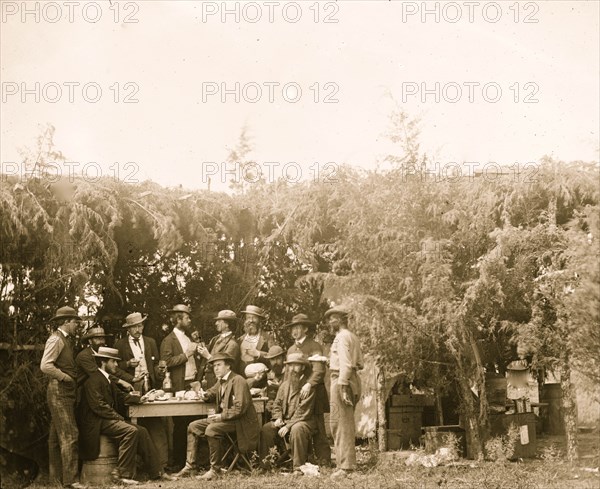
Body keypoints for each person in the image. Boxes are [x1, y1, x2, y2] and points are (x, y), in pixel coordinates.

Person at [78, 347, 169, 484]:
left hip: (106, 419)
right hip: (96, 422)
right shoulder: (93, 380)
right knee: (130, 431)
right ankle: (122, 475)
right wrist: (119, 418)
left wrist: (140, 399)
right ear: (103, 362)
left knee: (142, 431)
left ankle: (157, 472)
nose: (116, 365)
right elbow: (99, 406)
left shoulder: (106, 378)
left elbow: (121, 397)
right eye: (113, 361)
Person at [175, 353, 259, 480]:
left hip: (241, 423)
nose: (216, 368)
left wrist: (221, 416)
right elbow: (212, 392)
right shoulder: (221, 381)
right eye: (214, 366)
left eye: (219, 365)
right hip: (227, 420)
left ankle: (215, 469)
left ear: (228, 366)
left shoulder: (238, 380)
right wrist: (203, 394)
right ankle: (190, 466)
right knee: (193, 426)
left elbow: (240, 408)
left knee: (212, 429)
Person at [114, 313, 170, 478]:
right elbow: (113, 368)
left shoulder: (151, 342)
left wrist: (160, 371)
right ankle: (137, 470)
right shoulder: (120, 344)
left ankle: (162, 468)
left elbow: (155, 365)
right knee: (135, 428)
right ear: (128, 329)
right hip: (131, 390)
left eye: (140, 326)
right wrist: (127, 366)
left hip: (149, 389)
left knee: (157, 427)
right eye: (134, 327)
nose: (138, 329)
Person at [40, 306, 86, 489]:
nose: (77, 325)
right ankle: (71, 481)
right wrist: (65, 377)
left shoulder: (66, 340)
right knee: (70, 435)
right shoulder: (56, 340)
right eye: (75, 321)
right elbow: (45, 366)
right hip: (59, 391)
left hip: (63, 392)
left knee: (55, 438)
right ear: (66, 322)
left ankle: (56, 481)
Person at [259, 353, 317, 475]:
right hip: (285, 420)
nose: (292, 369)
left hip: (304, 421)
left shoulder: (308, 387)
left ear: (302, 368)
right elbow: (277, 404)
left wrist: (288, 426)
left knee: (297, 429)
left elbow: (303, 411)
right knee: (267, 428)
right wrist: (278, 418)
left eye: (296, 365)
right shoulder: (285, 385)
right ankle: (266, 466)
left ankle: (298, 467)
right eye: (290, 366)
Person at [286, 313, 331, 465]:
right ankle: (305, 458)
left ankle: (324, 460)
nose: (294, 331)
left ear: (305, 329)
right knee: (300, 425)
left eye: (298, 328)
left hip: (315, 393)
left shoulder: (314, 346)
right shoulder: (291, 349)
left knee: (318, 427)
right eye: (293, 328)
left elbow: (319, 370)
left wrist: (309, 383)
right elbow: (289, 373)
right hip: (297, 395)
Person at [159, 304, 200, 470]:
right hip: (178, 386)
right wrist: (187, 354)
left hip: (192, 384)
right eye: (187, 317)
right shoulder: (168, 340)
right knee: (180, 425)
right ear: (178, 320)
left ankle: (192, 461)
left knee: (194, 423)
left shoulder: (188, 337)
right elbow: (166, 363)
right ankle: (177, 463)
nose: (189, 320)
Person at [325, 306, 364, 478]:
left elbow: (347, 364)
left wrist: (341, 385)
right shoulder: (352, 337)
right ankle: (343, 463)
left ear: (341, 320)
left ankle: (346, 467)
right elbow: (359, 363)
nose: (329, 322)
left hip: (342, 380)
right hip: (350, 379)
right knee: (341, 422)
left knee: (341, 424)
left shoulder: (341, 337)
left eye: (332, 318)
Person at [76, 326, 133, 391]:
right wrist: (121, 382)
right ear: (90, 341)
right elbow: (98, 374)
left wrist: (132, 378)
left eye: (102, 338)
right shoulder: (84, 356)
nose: (101, 342)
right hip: (84, 391)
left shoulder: (102, 353)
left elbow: (114, 369)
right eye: (97, 339)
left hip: (98, 387)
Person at [197, 310, 241, 385]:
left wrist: (208, 356)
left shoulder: (232, 344)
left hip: (220, 383)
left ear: (227, 324)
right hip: (208, 381)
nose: (216, 323)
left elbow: (227, 367)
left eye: (219, 321)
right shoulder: (215, 339)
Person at [238, 305, 275, 372]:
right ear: (245, 320)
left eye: (254, 318)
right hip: (241, 378)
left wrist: (258, 354)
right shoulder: (240, 339)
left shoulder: (267, 338)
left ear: (259, 320)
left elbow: (274, 357)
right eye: (248, 317)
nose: (251, 320)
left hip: (259, 378)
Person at [263, 345, 286, 416]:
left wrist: (280, 387)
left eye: (278, 358)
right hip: (273, 409)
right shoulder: (269, 374)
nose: (275, 362)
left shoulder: (289, 373)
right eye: (272, 360)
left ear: (283, 358)